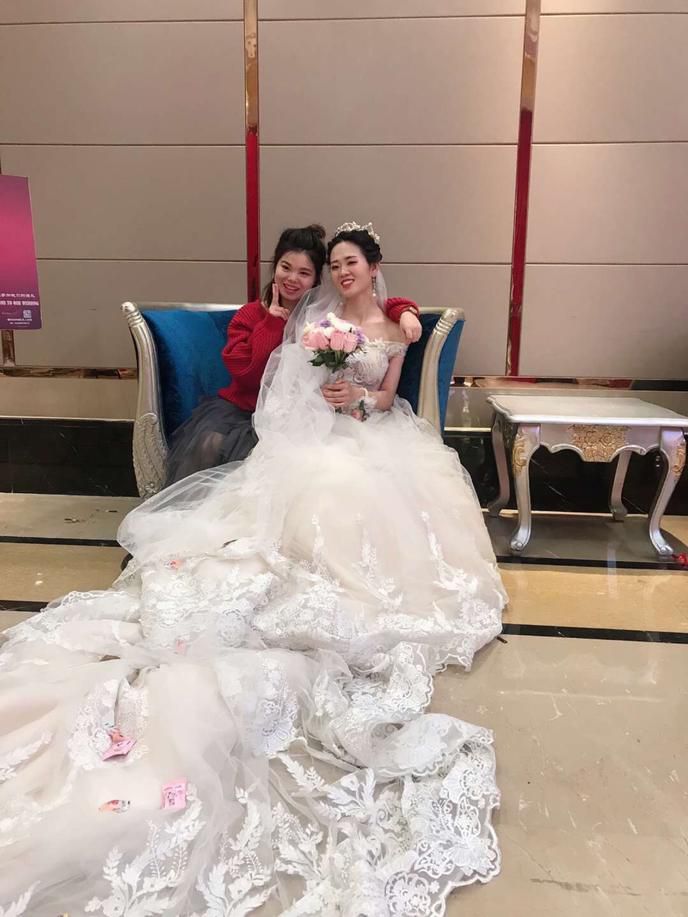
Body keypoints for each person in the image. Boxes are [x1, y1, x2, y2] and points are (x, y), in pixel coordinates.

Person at [0, 222, 506, 916]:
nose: (341, 273)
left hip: (374, 432)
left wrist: (362, 400)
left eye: (349, 263)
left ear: (373, 266)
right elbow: (287, 383)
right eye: (333, 264)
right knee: (313, 481)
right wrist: (327, 398)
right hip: (317, 433)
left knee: (362, 487)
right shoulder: (319, 322)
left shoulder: (398, 325)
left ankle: (354, 579)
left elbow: (388, 397)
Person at [165, 223, 422, 484]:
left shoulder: (320, 316)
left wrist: (406, 311)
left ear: (316, 280)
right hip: (251, 409)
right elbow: (247, 374)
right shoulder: (309, 319)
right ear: (275, 266)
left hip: (323, 419)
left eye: (304, 273)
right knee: (213, 444)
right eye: (285, 267)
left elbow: (372, 313)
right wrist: (271, 323)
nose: (292, 279)